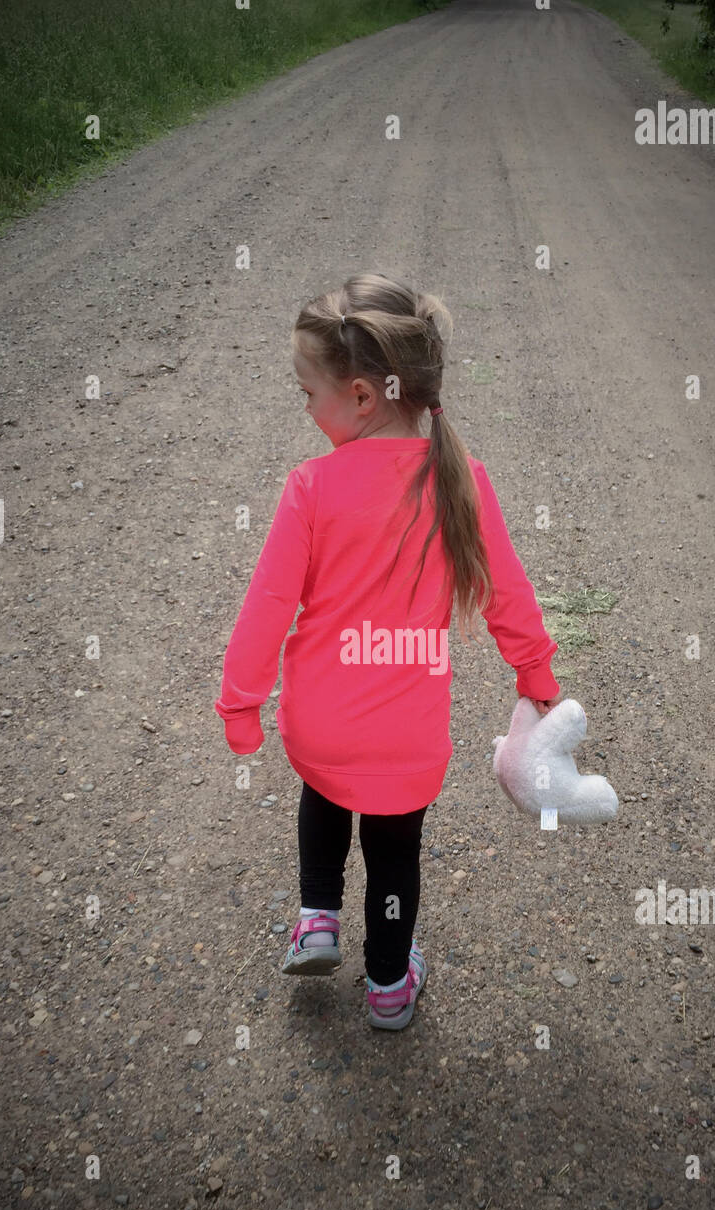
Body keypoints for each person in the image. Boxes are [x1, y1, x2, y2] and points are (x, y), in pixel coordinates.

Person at [215, 271, 561, 1029]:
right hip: (408, 738)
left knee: (325, 795)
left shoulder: (312, 487)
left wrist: (240, 703)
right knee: (395, 850)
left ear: (364, 397)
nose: (306, 409)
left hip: (321, 723)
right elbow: (509, 595)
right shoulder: (462, 481)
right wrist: (536, 676)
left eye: (309, 394)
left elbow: (267, 607)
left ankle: (316, 918)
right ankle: (388, 985)